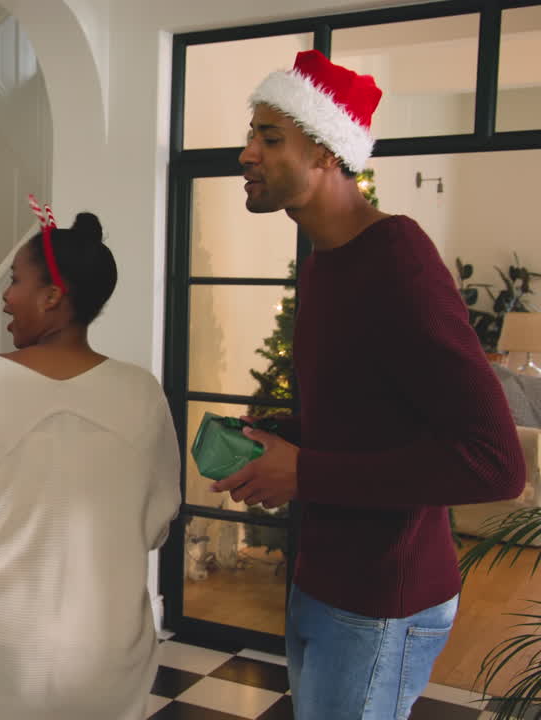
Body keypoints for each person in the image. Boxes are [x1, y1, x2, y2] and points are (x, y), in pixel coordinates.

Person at [216, 50, 526, 719]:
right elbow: (370, 419)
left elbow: (495, 464)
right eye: (252, 136)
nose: (247, 155)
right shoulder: (325, 264)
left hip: (384, 599)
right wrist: (278, 446)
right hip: (327, 581)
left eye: (270, 139)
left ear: (327, 152)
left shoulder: (399, 262)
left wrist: (306, 473)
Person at [0, 209, 180, 720]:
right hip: (103, 653)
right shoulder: (141, 393)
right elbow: (155, 524)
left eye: (16, 281)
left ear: (53, 296)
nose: (5, 296)